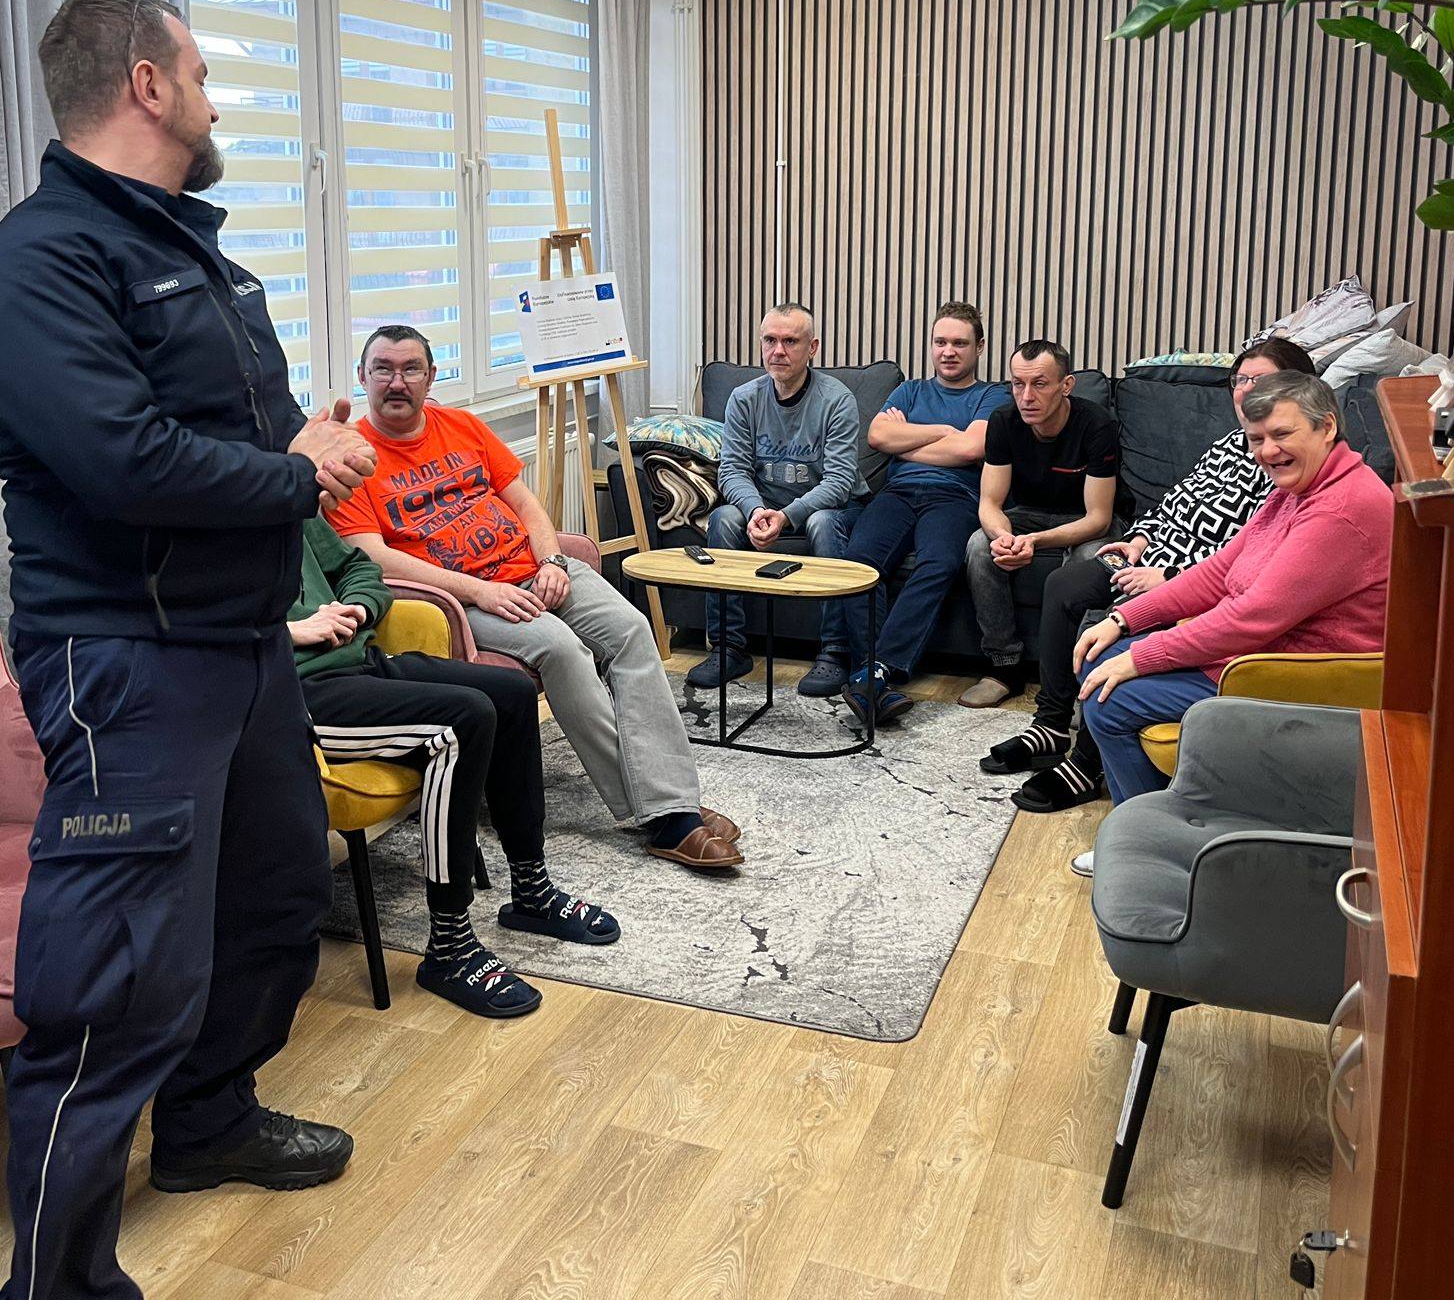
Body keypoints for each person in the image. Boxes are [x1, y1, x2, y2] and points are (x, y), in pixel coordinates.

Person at [0, 0, 377, 1300]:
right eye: (198, 71)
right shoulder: (36, 266)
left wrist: (297, 445)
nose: (212, 96)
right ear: (145, 83)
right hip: (127, 665)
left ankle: (208, 1121)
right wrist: (301, 476)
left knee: (273, 903)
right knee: (103, 1012)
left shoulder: (188, 251)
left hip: (236, 647)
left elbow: (226, 435)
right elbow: (126, 461)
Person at [328, 325, 743, 872]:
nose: (397, 382)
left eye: (411, 369)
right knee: (563, 650)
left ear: (431, 377)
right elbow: (374, 557)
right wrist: (483, 591)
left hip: (536, 570)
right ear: (363, 378)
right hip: (465, 600)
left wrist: (551, 562)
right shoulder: (350, 459)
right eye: (383, 369)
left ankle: (667, 798)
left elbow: (527, 505)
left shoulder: (463, 426)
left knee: (632, 631)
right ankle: (666, 815)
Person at [1069, 370, 1393, 876]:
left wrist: (1143, 655)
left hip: (1288, 673)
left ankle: (1154, 851)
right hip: (1256, 652)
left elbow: (1251, 618)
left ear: (1327, 426)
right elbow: (1221, 570)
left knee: (1109, 700)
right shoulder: (1299, 488)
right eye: (1257, 439)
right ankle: (1162, 826)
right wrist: (1124, 618)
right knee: (1101, 658)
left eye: (1282, 434)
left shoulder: (1340, 509)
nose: (1268, 451)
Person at [292, 518, 620, 1016]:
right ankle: (449, 945)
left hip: (358, 662)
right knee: (464, 720)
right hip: (294, 696)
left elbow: (358, 568)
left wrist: (358, 607)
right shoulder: (203, 519)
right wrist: (291, 631)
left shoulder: (291, 506)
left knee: (511, 694)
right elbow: (189, 633)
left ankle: (531, 891)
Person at [989, 336, 1316, 812]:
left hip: (1180, 578)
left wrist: (1169, 576)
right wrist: (1139, 540)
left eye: (1260, 380)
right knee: (1063, 584)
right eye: (1240, 380)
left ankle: (1086, 764)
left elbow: (1247, 559)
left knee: (1115, 622)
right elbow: (1175, 502)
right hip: (1149, 556)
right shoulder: (1229, 443)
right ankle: (1052, 724)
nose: (1246, 390)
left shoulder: (1284, 460)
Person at [839, 302, 1009, 728]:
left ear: (979, 347)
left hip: (955, 497)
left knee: (939, 562)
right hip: (897, 494)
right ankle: (873, 675)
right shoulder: (910, 391)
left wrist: (907, 442)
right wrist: (944, 432)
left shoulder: (992, 396)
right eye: (940, 342)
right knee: (858, 563)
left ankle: (875, 671)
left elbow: (971, 448)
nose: (948, 351)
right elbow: (878, 435)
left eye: (959, 343)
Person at [687, 301, 865, 699]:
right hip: (763, 505)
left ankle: (835, 651)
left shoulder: (837, 400)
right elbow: (732, 471)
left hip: (830, 509)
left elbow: (839, 482)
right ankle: (729, 648)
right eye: (770, 340)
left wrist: (785, 516)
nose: (778, 351)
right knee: (724, 518)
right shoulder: (744, 398)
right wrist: (755, 511)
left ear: (812, 348)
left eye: (790, 341)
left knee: (821, 522)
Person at [960, 338, 1119, 707]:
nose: (1027, 396)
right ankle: (1004, 668)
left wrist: (1034, 541)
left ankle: (1079, 677)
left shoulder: (1096, 424)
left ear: (1066, 385)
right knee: (980, 546)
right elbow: (990, 503)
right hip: (1028, 512)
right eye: (1018, 384)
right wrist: (1004, 538)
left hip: (1084, 519)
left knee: (1091, 561)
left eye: (1040, 384)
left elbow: (1098, 519)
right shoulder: (1003, 421)